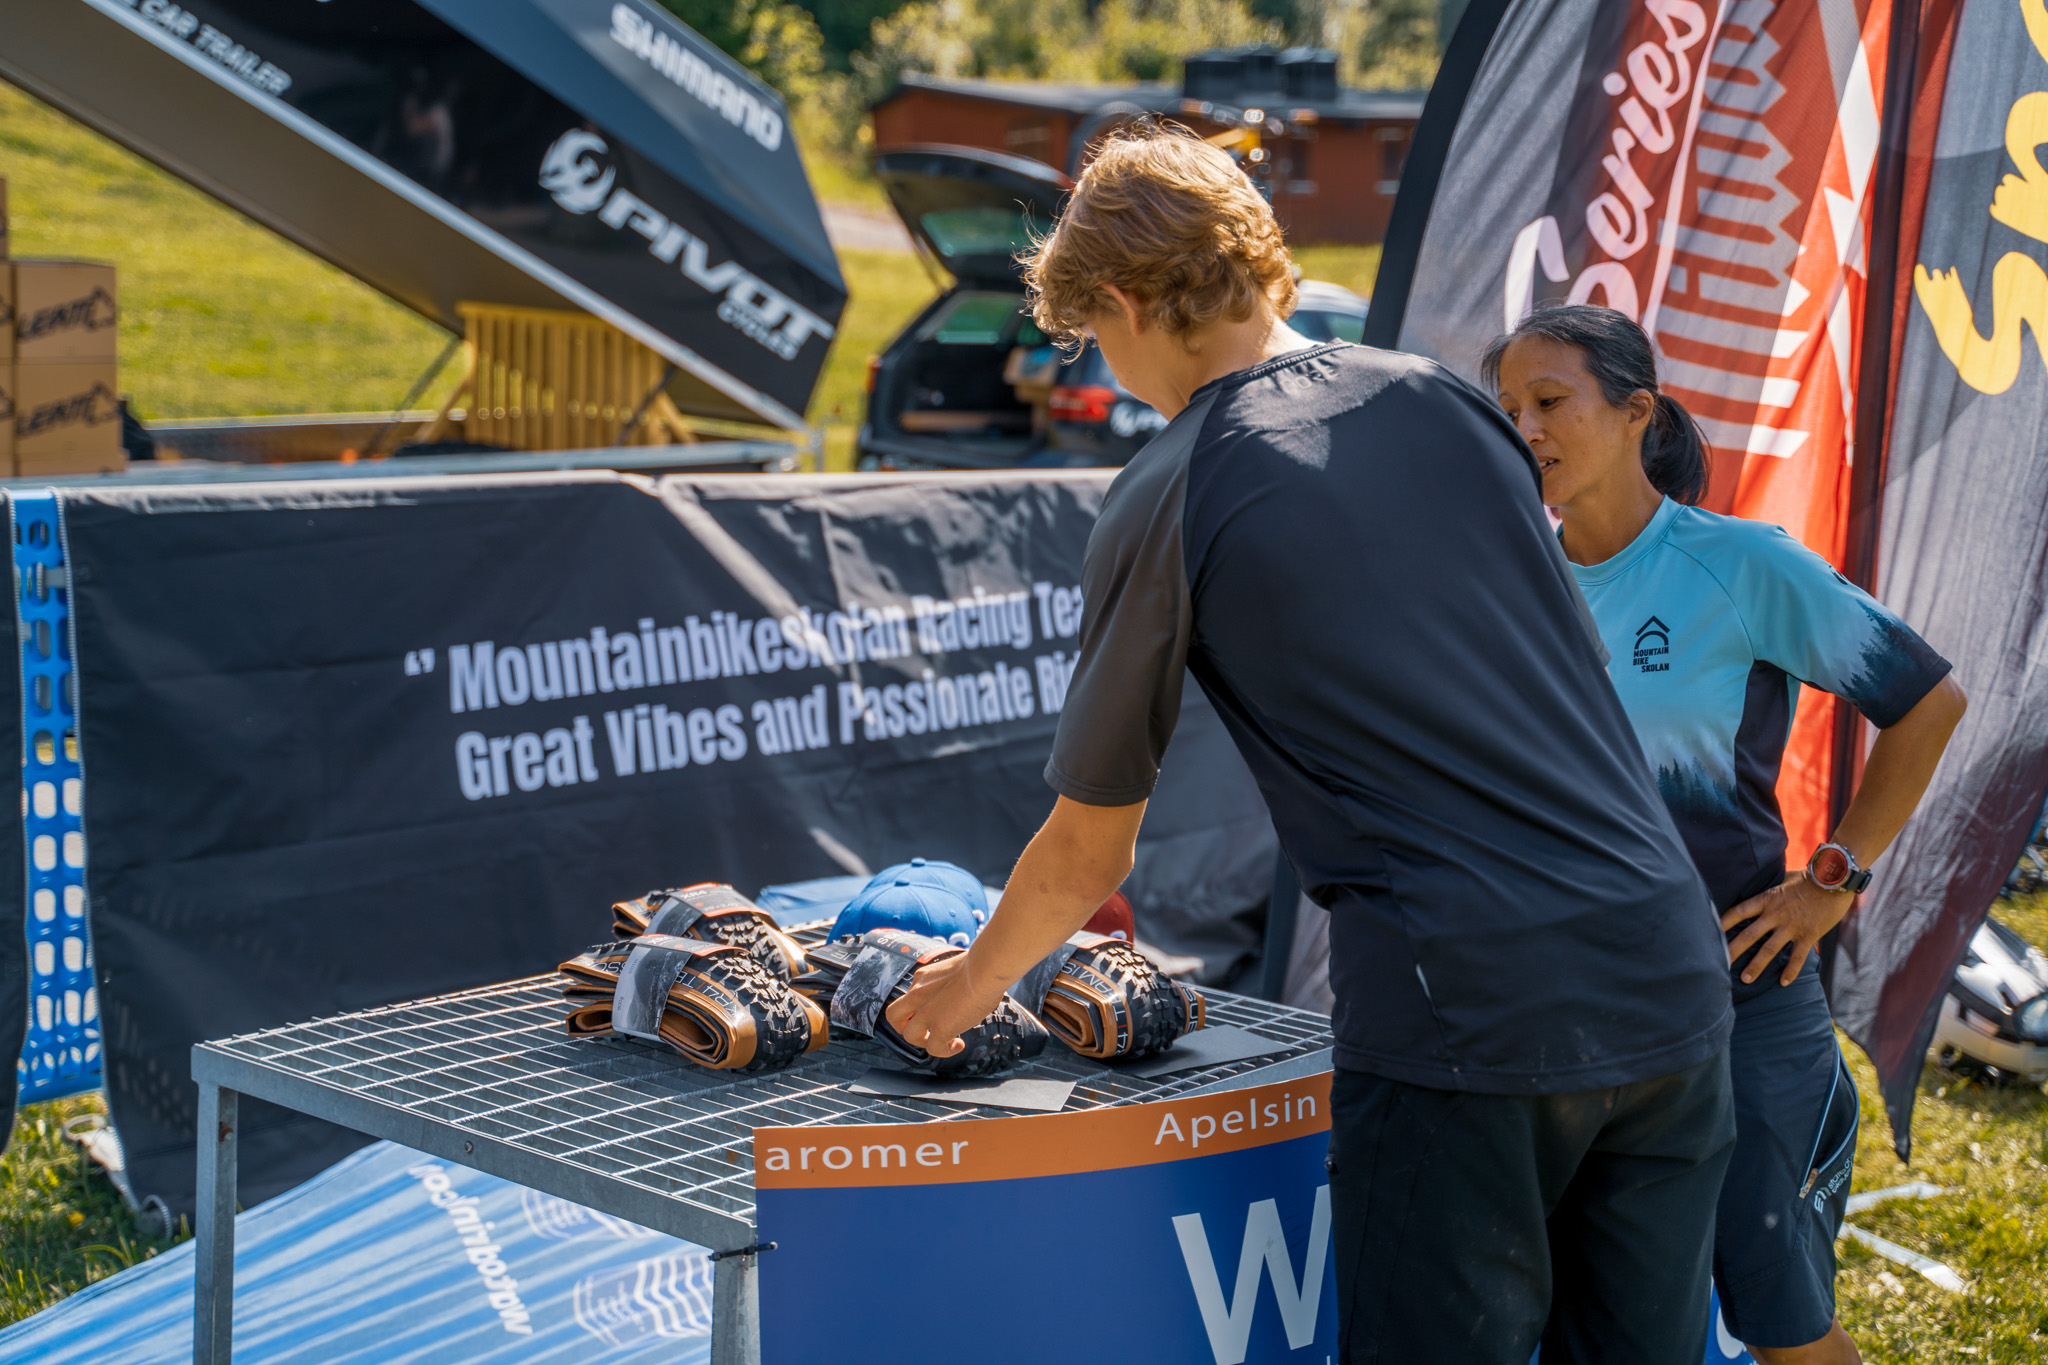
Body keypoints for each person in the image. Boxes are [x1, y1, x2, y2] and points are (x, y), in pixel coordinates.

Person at [888, 124, 1737, 1363]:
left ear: (1124, 302)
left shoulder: (1172, 483)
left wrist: (957, 996)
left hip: (1469, 1011)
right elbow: (1574, 682)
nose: (1108, 366)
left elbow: (1086, 853)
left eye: (1094, 336)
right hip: (1665, 964)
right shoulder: (1446, 398)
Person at [1484, 304, 1967, 1365]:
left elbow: (1926, 702)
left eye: (1550, 401)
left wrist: (1831, 878)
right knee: (1596, 1326)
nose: (1525, 429)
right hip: (1570, 1020)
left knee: (1778, 1323)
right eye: (1508, 409)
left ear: (1637, 413)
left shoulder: (1737, 564)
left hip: (1737, 1005)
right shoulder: (1511, 584)